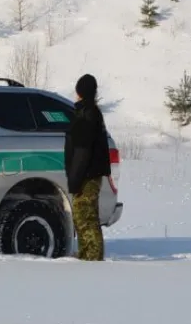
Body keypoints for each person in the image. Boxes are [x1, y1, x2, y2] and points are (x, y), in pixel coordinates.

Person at [65, 73, 112, 261]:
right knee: (82, 214)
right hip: (88, 173)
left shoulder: (88, 113)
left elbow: (82, 151)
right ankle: (86, 253)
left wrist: (75, 180)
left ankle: (93, 257)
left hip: (88, 174)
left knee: (86, 215)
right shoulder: (87, 111)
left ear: (80, 92)